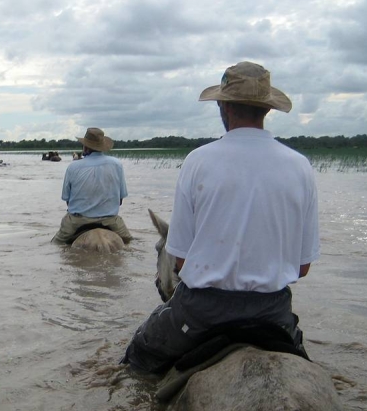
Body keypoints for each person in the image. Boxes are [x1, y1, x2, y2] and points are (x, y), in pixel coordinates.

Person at [122, 61, 319, 374]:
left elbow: (181, 262)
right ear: (267, 110)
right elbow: (303, 267)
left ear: (223, 106)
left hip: (202, 312)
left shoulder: (197, 161)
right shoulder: (300, 166)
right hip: (274, 315)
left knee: (138, 355)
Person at [51, 127, 132, 244]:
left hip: (77, 221)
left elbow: (67, 200)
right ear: (102, 146)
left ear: (85, 146)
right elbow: (120, 200)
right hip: (110, 220)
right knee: (130, 243)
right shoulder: (117, 164)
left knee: (55, 245)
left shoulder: (73, 167)